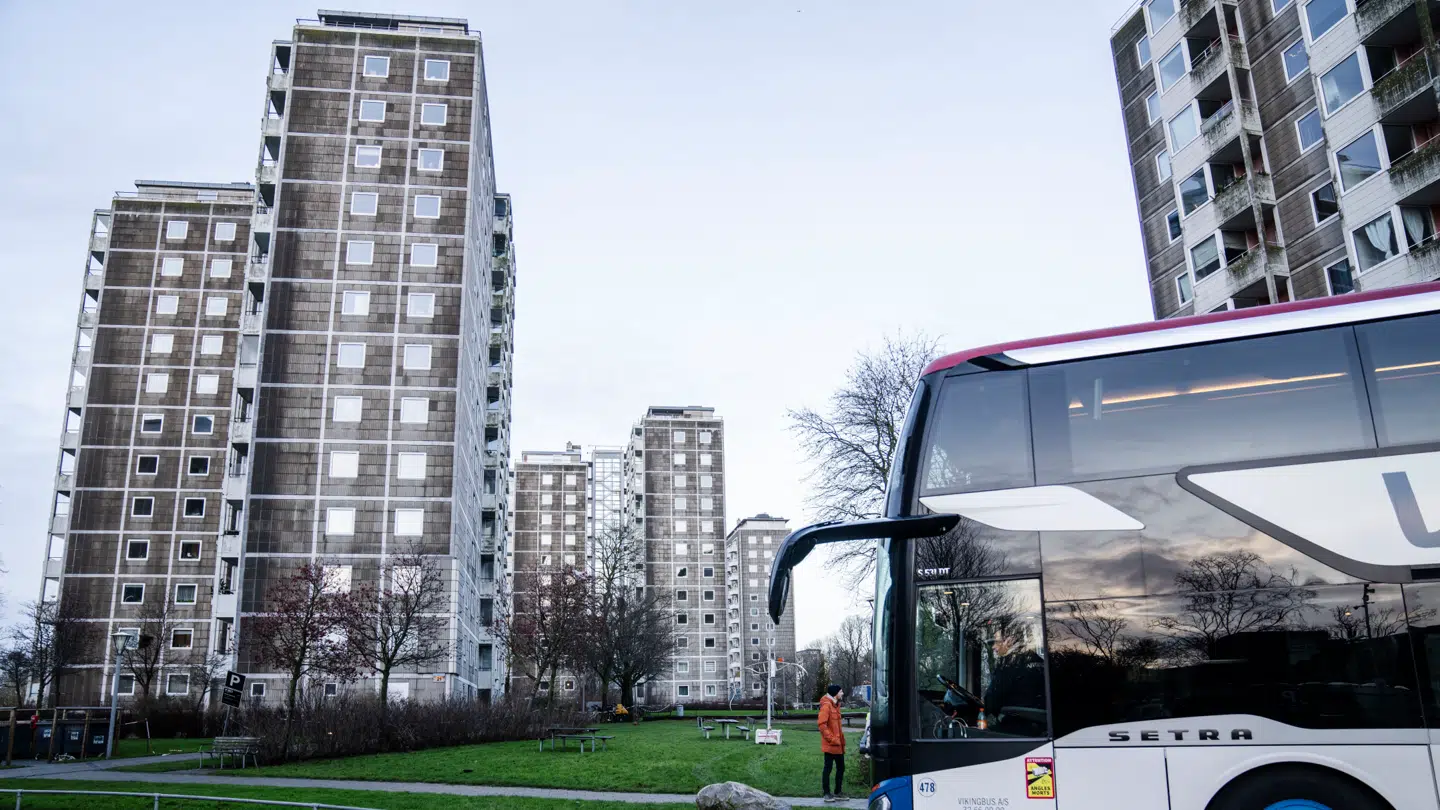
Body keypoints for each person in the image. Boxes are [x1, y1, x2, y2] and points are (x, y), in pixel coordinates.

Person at [818, 683, 847, 802]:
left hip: (838, 745)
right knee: (828, 768)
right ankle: (826, 793)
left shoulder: (835, 705)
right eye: (841, 692)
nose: (842, 693)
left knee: (841, 768)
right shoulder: (826, 706)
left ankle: (838, 792)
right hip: (831, 745)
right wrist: (831, 739)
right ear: (835, 694)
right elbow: (821, 725)